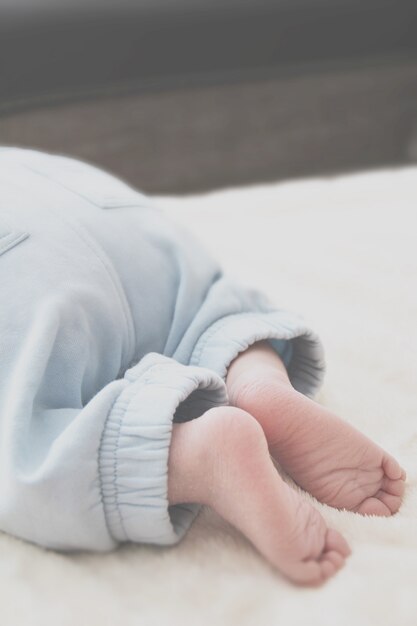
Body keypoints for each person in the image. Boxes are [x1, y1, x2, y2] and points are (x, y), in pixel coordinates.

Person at [0, 148, 405, 586]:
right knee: (202, 313)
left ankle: (195, 456)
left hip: (22, 280)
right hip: (116, 222)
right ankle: (254, 377)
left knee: (24, 448)